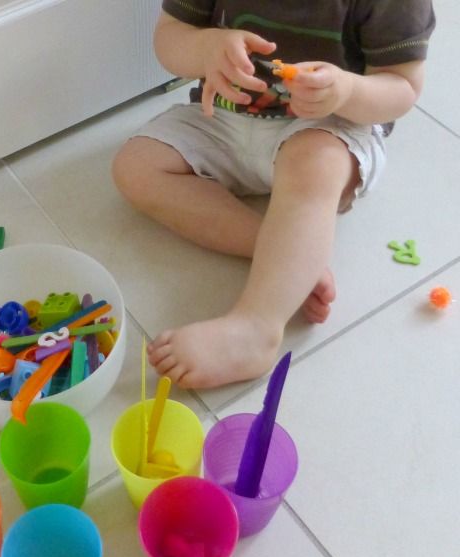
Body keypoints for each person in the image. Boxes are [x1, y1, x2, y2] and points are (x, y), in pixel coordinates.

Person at [112, 1, 435, 389]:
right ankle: (284, 254)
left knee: (314, 167)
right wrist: (207, 48)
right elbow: (169, 37)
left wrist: (346, 90)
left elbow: (402, 86)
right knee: (136, 167)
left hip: (328, 126)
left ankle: (257, 327)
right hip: (223, 117)